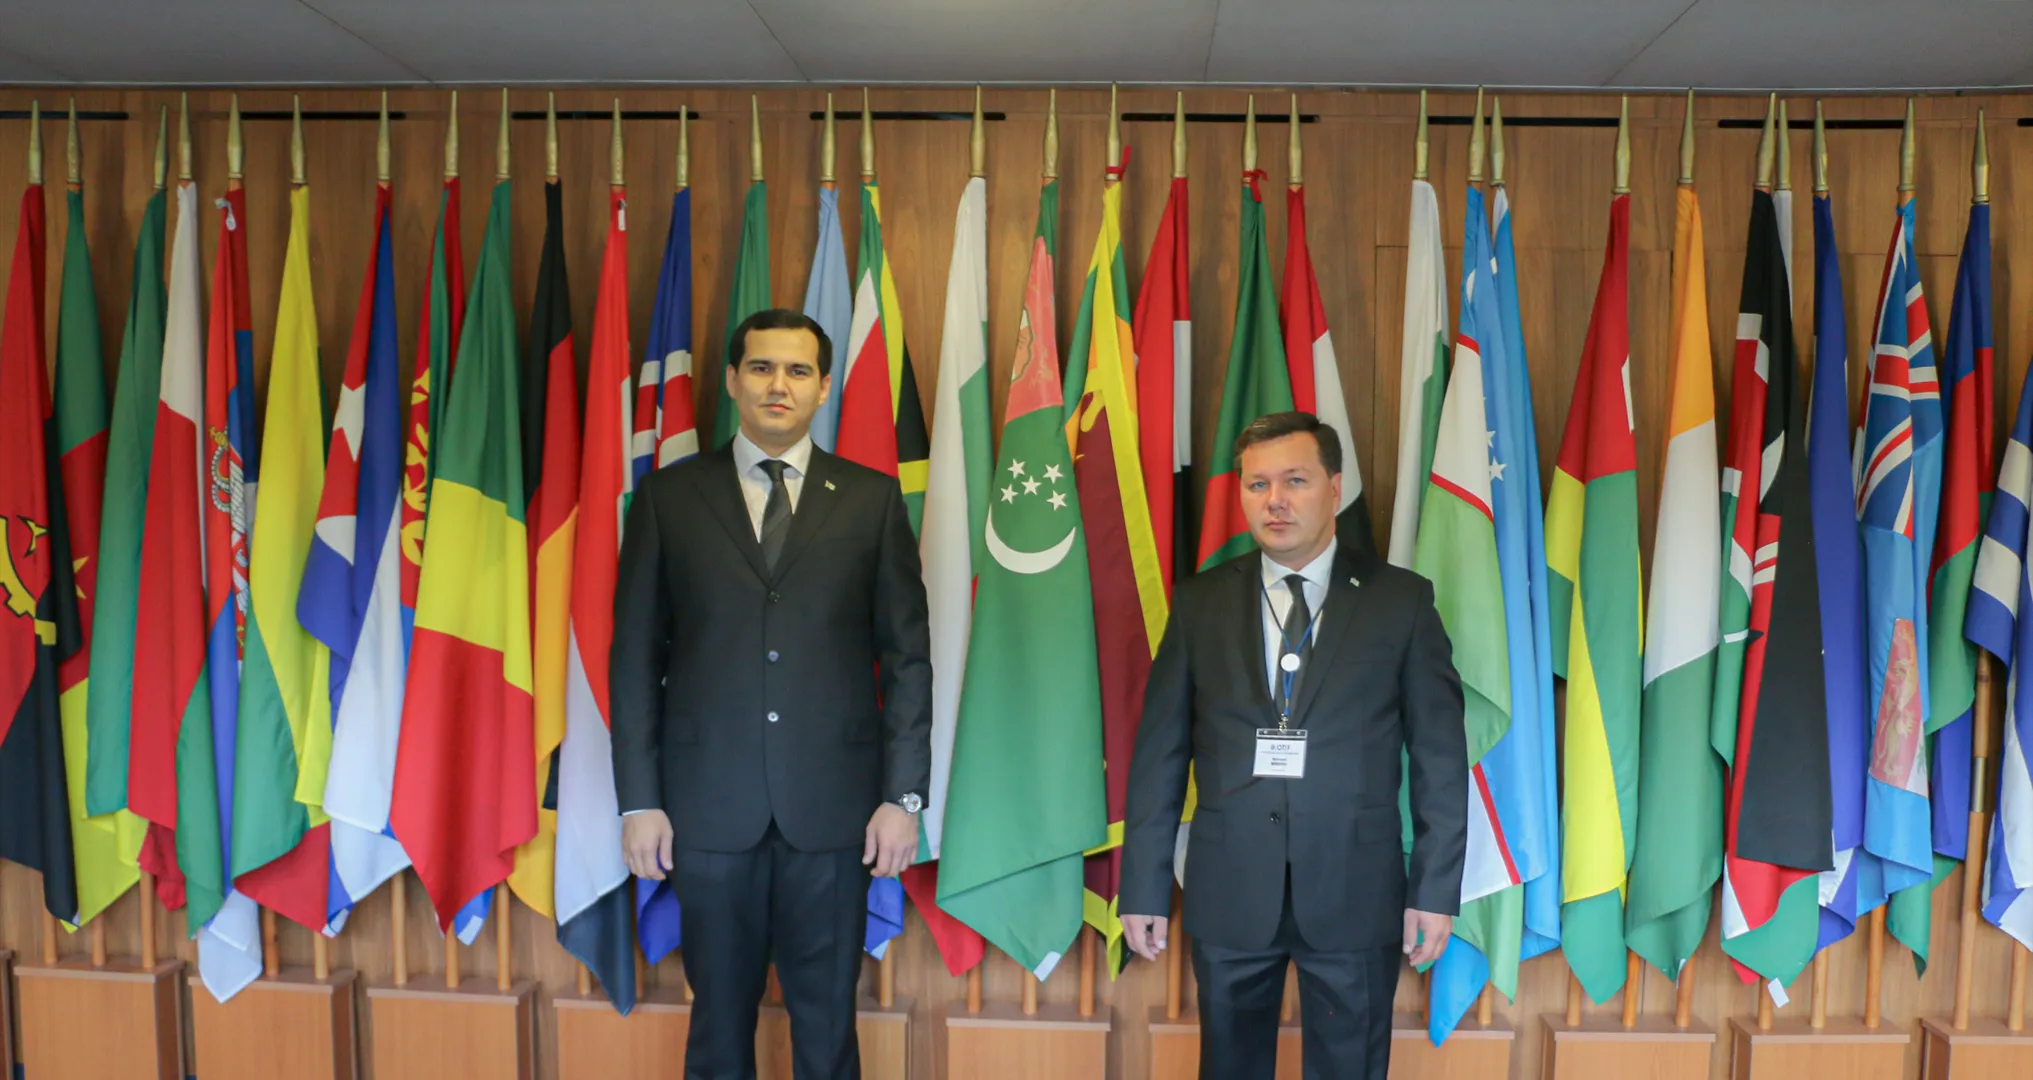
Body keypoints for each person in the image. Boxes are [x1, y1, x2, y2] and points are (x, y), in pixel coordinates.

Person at [611, 308, 931, 1080]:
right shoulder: (668, 498)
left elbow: (907, 659)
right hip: (707, 811)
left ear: (823, 387)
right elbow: (634, 659)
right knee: (718, 1029)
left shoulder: (871, 500)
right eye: (760, 367)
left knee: (827, 1031)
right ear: (731, 381)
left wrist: (903, 798)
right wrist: (639, 801)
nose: (776, 385)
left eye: (796, 370)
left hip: (835, 813)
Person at [1119, 411, 1467, 1080]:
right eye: (1257, 485)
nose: (1274, 500)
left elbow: (1440, 758)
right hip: (1229, 889)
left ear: (1334, 488)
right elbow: (1159, 754)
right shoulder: (1199, 603)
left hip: (1355, 889)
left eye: (1294, 481)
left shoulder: (1400, 602)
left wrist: (1434, 889)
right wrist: (1142, 886)